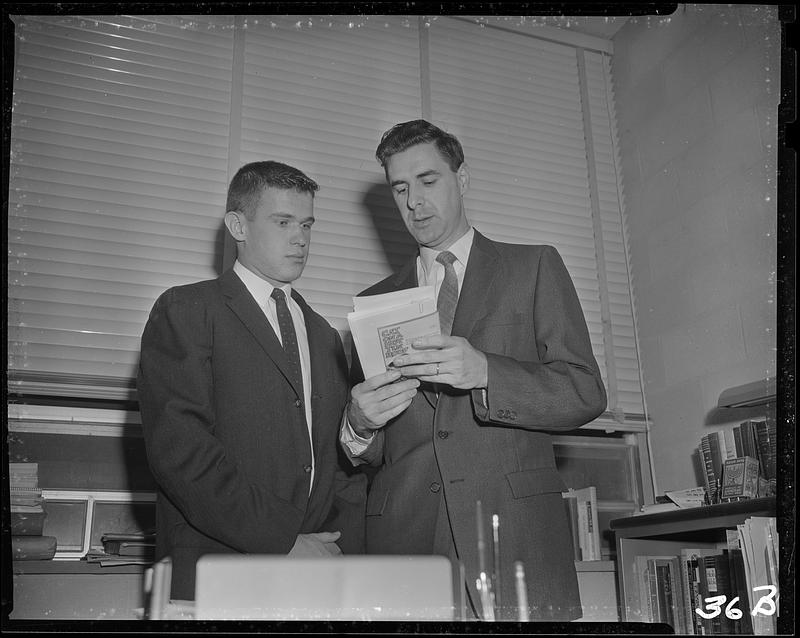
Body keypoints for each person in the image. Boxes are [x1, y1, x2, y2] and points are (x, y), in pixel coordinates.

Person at [340, 120, 607, 621]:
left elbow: (585, 392)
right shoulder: (374, 304)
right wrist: (357, 425)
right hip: (405, 542)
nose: (414, 201)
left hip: (516, 539)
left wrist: (487, 370)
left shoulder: (533, 267)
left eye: (428, 180)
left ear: (462, 179)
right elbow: (376, 449)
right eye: (400, 188)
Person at [138, 160, 365, 601]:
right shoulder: (186, 310)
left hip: (317, 575)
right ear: (237, 225)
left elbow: (336, 465)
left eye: (307, 224)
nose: (301, 238)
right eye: (283, 222)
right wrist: (283, 542)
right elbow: (182, 453)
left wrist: (343, 551)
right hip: (218, 572)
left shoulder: (324, 335)